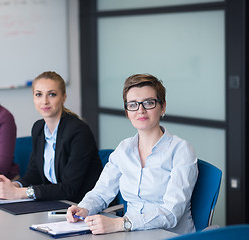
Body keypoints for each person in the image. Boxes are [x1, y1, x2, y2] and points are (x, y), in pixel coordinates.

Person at [67, 74, 198, 235]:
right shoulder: (123, 149)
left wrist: (121, 224)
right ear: (127, 111)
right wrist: (83, 208)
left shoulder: (181, 150)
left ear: (162, 107)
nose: (140, 110)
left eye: (149, 103)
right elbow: (101, 193)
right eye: (133, 104)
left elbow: (171, 213)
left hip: (169, 235)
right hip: (130, 234)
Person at [0, 71, 102, 203]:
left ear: (63, 97)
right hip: (55, 204)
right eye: (39, 94)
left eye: (52, 94)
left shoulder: (78, 131)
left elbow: (69, 188)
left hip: (81, 207)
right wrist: (14, 186)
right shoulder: (39, 128)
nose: (45, 101)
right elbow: (35, 173)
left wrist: (20, 193)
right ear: (33, 98)